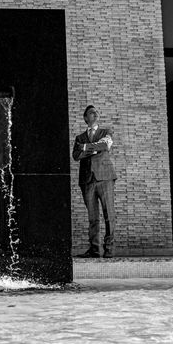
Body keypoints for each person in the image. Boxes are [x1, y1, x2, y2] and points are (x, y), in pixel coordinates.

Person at [71, 105, 116, 258]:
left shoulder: (106, 132)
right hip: (87, 180)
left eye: (97, 112)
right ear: (85, 118)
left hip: (105, 178)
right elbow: (76, 156)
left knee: (109, 214)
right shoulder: (79, 138)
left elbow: (105, 145)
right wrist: (93, 149)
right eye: (91, 113)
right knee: (93, 217)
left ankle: (109, 249)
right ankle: (94, 250)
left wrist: (85, 148)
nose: (95, 114)